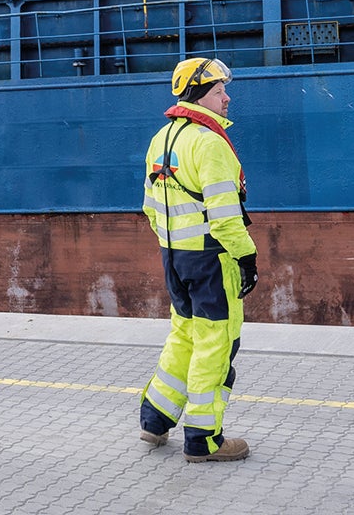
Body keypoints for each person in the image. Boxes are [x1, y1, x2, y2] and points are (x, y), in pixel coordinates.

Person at [137, 55, 256, 464]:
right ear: (201, 96)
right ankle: (204, 439)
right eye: (220, 92)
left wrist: (174, 246)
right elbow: (225, 218)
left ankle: (154, 420)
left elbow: (150, 207)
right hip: (210, 260)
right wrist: (247, 257)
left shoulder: (162, 137)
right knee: (216, 344)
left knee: (184, 335)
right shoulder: (209, 143)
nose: (227, 99)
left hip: (174, 258)